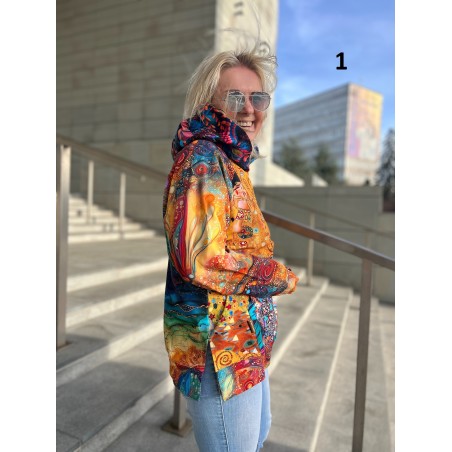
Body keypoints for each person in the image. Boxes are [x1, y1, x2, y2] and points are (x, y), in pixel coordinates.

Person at [162, 45, 299, 451]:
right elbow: (200, 258)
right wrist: (278, 276)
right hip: (218, 349)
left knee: (257, 435)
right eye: (235, 97)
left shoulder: (231, 159)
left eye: (258, 98)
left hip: (243, 340)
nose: (249, 109)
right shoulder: (203, 159)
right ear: (209, 101)